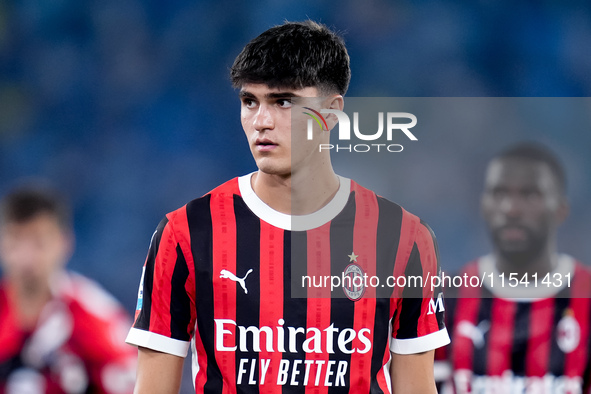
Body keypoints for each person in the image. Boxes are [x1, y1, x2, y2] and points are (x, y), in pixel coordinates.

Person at [126, 20, 450, 393]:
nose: (261, 121)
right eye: (250, 102)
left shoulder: (404, 239)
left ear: (331, 113)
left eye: (283, 101)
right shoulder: (186, 234)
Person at [438, 142, 591, 393]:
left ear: (561, 210)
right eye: (499, 194)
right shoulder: (444, 297)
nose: (511, 209)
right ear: (483, 206)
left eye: (529, 195)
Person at [0, 184, 136, 394]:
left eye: (38, 242)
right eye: (16, 240)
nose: (26, 257)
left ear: (64, 243)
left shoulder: (96, 317)